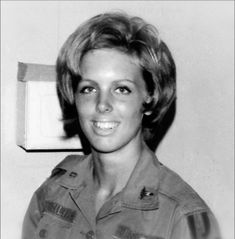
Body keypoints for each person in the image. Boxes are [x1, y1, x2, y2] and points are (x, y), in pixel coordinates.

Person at [22, 12, 221, 239]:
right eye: (89, 89)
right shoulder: (51, 195)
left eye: (122, 89)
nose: (102, 105)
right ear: (74, 97)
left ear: (150, 97)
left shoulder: (184, 218)